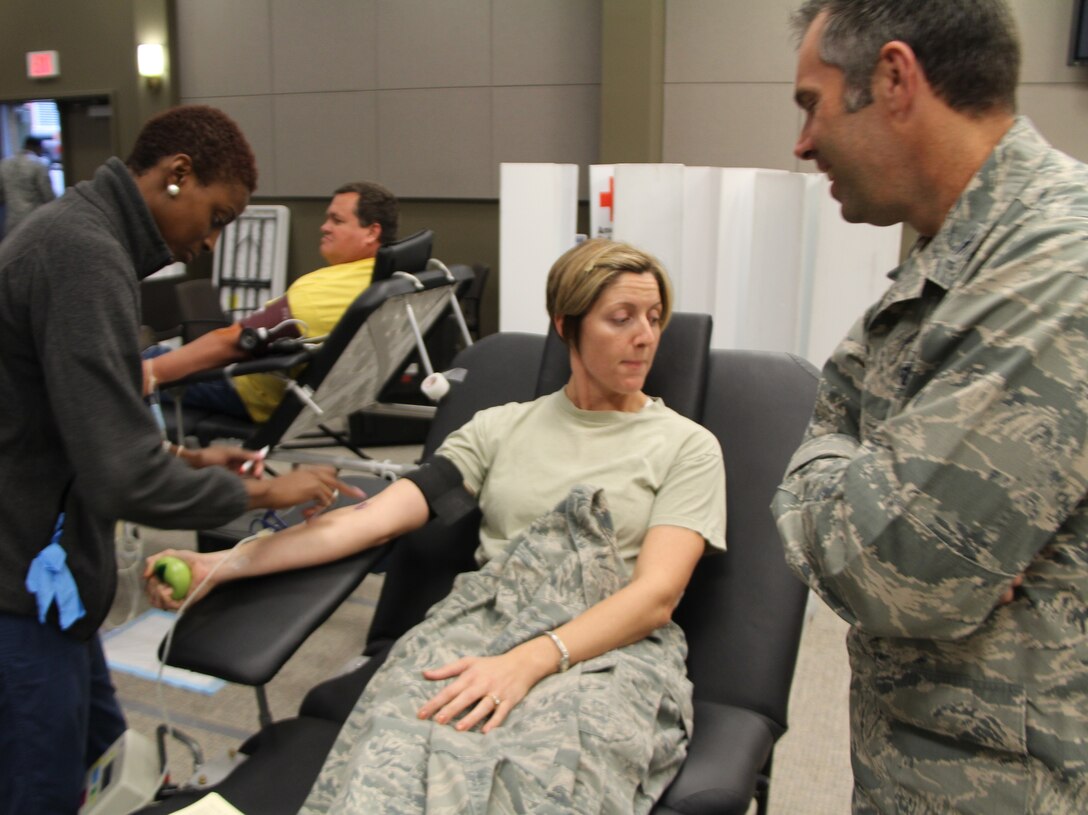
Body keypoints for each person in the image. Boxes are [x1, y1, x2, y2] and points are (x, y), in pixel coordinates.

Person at [147, 238, 727, 813]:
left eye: (654, 318)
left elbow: (656, 595)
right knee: (390, 771)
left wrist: (530, 661)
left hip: (606, 652)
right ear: (566, 323)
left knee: (543, 784)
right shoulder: (500, 430)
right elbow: (369, 522)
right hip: (479, 630)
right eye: (620, 318)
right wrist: (216, 564)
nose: (645, 336)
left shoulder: (687, 447)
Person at [773, 1, 1088, 812]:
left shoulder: (1055, 270)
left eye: (811, 103)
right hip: (926, 759)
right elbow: (835, 407)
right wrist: (870, 478)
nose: (802, 143)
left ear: (894, 78)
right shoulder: (962, 255)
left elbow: (894, 566)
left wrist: (861, 484)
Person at [0, 105, 356, 815]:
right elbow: (121, 473)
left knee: (102, 766)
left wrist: (189, 459)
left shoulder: (86, 239)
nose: (211, 242)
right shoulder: (82, 253)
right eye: (216, 217)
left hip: (53, 586)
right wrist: (262, 494)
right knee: (42, 789)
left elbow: (77, 419)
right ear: (176, 175)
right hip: (18, 589)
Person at [142, 181, 399, 423]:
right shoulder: (388, 280)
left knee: (139, 361)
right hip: (304, 397)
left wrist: (152, 371)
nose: (325, 227)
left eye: (337, 220)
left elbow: (232, 342)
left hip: (244, 388)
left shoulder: (320, 296)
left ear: (371, 232)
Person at [0, 135, 57, 238]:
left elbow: (1, 195)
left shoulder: (4, 164)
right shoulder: (38, 164)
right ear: (37, 147)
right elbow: (48, 196)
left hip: (11, 223)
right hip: (33, 221)